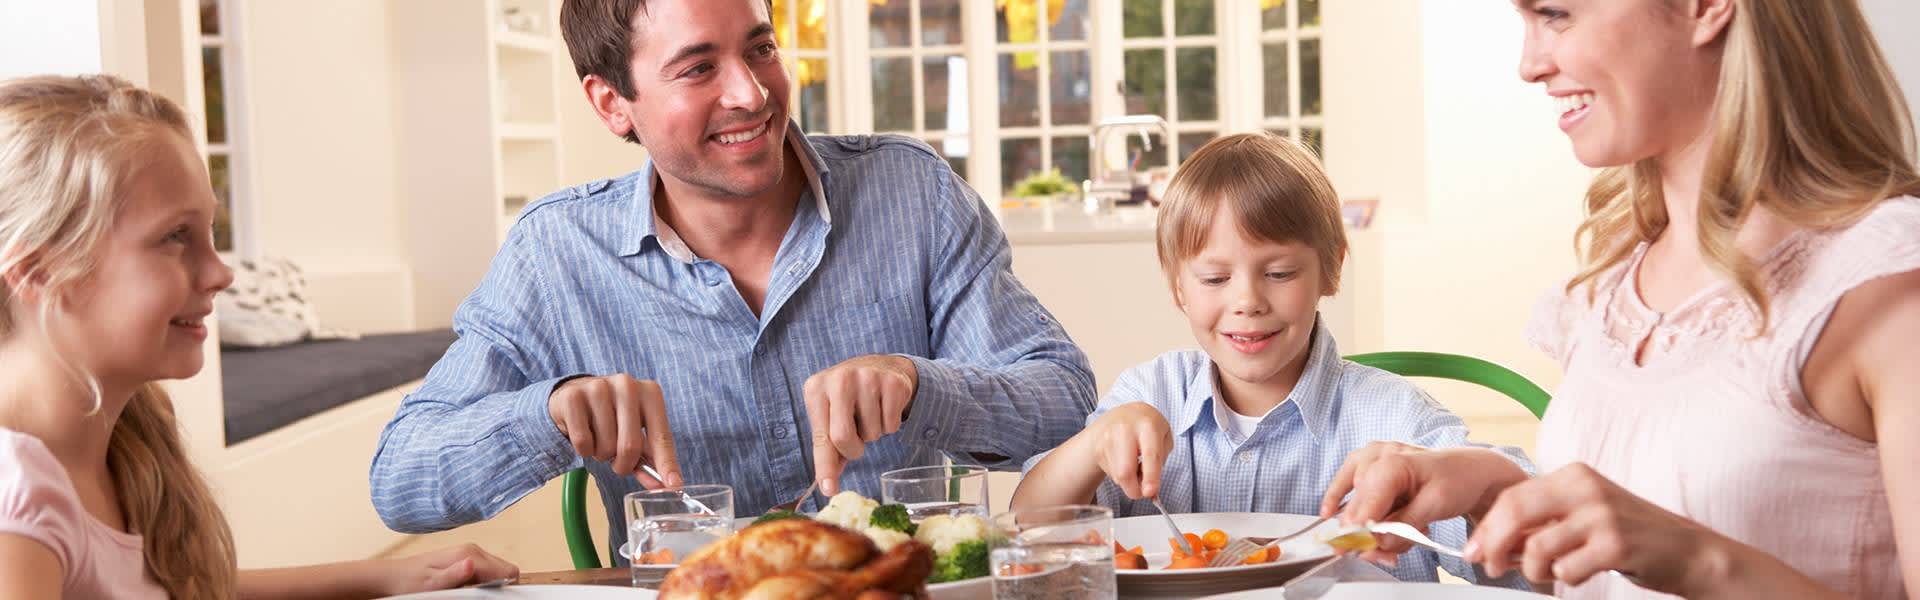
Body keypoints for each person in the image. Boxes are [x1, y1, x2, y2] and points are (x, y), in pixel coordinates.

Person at [368, 0, 1096, 559]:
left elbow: (1063, 399)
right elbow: (402, 480)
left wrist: (918, 385)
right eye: (697, 68)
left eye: (761, 49)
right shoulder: (556, 253)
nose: (751, 94)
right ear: (611, 103)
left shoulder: (913, 192)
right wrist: (549, 414)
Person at [1324, 1, 1920, 597]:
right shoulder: (1615, 275)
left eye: (1557, 14)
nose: (1529, 66)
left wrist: (1696, 559)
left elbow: (1666, 540)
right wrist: (1491, 489)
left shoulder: (1888, 279)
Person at [0, 74, 518, 599]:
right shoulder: (17, 497)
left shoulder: (121, 444)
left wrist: (388, 576)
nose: (221, 273)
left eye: (211, 234)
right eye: (175, 236)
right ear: (41, 273)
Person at [1010, 133, 1532, 586]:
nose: (1248, 301)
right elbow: (1026, 529)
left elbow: (1526, 560)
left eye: (1279, 273)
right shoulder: (1150, 393)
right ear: (1178, 288)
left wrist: (1465, 481)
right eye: (1215, 279)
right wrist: (1092, 445)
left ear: (1330, 271)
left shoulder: (1393, 416)